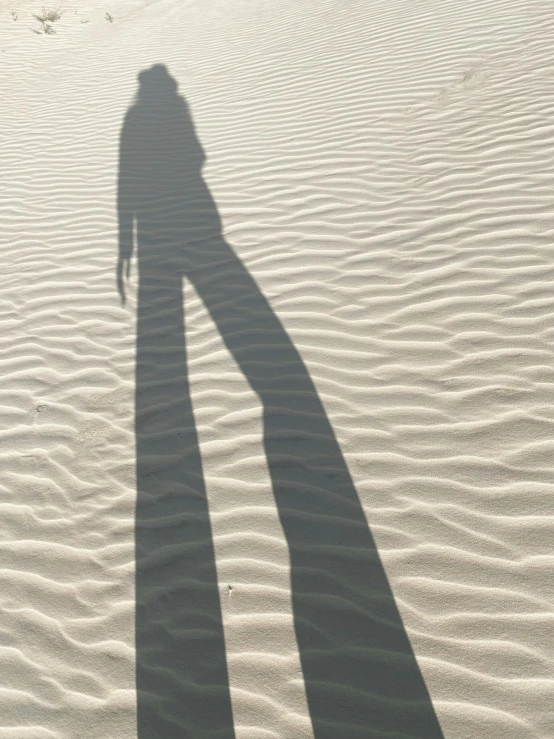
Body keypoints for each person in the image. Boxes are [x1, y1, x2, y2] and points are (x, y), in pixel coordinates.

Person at [118, 63, 444, 739]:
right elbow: (198, 158)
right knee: (247, 341)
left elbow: (126, 188)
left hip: (163, 241)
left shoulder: (135, 118)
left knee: (167, 364)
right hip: (199, 228)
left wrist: (126, 240)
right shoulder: (172, 107)